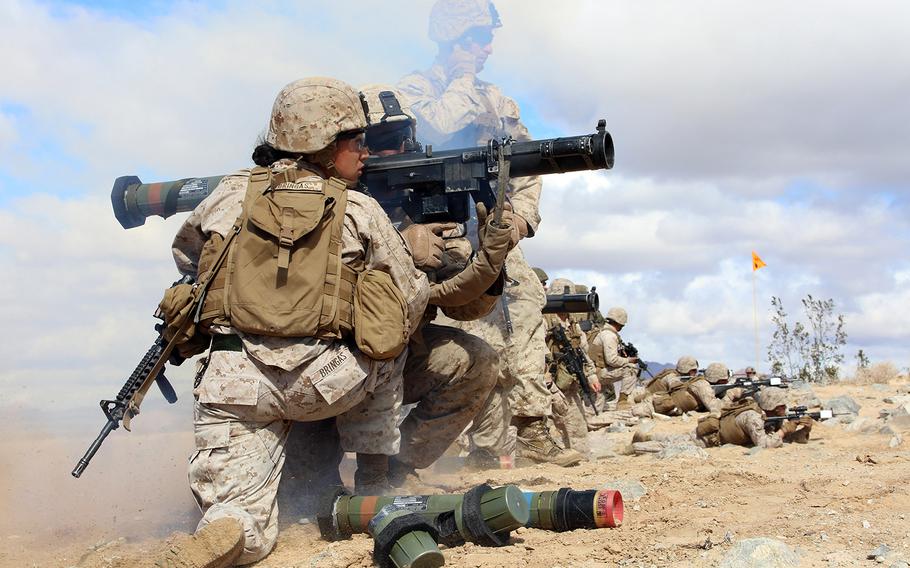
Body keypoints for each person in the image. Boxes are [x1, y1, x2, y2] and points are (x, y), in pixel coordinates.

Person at [165, 77, 430, 566]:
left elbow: (188, 259)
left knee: (240, 525)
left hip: (235, 387)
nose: (365, 152)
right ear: (326, 147)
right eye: (357, 140)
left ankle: (225, 529)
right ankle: (373, 475)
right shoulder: (361, 210)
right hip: (326, 386)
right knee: (392, 337)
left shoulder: (227, 195)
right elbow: (409, 302)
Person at [279, 85, 513, 502]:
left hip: (390, 358)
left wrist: (490, 262)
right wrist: (400, 248)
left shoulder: (420, 207)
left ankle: (397, 468)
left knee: (476, 362)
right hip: (311, 366)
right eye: (378, 142)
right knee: (306, 495)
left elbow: (463, 304)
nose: (392, 152)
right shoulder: (303, 201)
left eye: (403, 139)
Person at [400, 0, 577, 466]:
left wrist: (520, 218)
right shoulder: (412, 91)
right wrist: (460, 82)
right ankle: (475, 448)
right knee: (474, 329)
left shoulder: (499, 101)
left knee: (525, 310)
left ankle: (532, 429)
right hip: (437, 232)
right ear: (452, 39)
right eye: (477, 38)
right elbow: (436, 127)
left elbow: (527, 163)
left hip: (490, 227)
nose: (487, 47)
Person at [543, 278, 600, 457]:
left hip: (569, 383)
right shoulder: (544, 320)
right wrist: (547, 381)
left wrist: (591, 375)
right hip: (548, 383)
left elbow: (582, 352)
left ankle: (578, 458)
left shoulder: (572, 323)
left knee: (577, 427)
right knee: (549, 427)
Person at [695, 387, 813, 448]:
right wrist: (784, 430)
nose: (786, 408)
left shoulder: (773, 415)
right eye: (782, 406)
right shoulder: (753, 417)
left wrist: (804, 430)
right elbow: (764, 445)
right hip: (702, 441)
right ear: (775, 407)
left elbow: (784, 439)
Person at [631, 356, 722, 417]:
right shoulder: (671, 376)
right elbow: (675, 386)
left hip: (650, 396)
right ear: (688, 370)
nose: (695, 373)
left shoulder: (676, 376)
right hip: (643, 395)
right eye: (694, 370)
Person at [590, 306, 640, 410]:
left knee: (596, 408)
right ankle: (622, 402)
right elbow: (612, 360)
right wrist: (629, 360)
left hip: (595, 372)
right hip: (600, 372)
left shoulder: (603, 332)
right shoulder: (609, 336)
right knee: (631, 368)